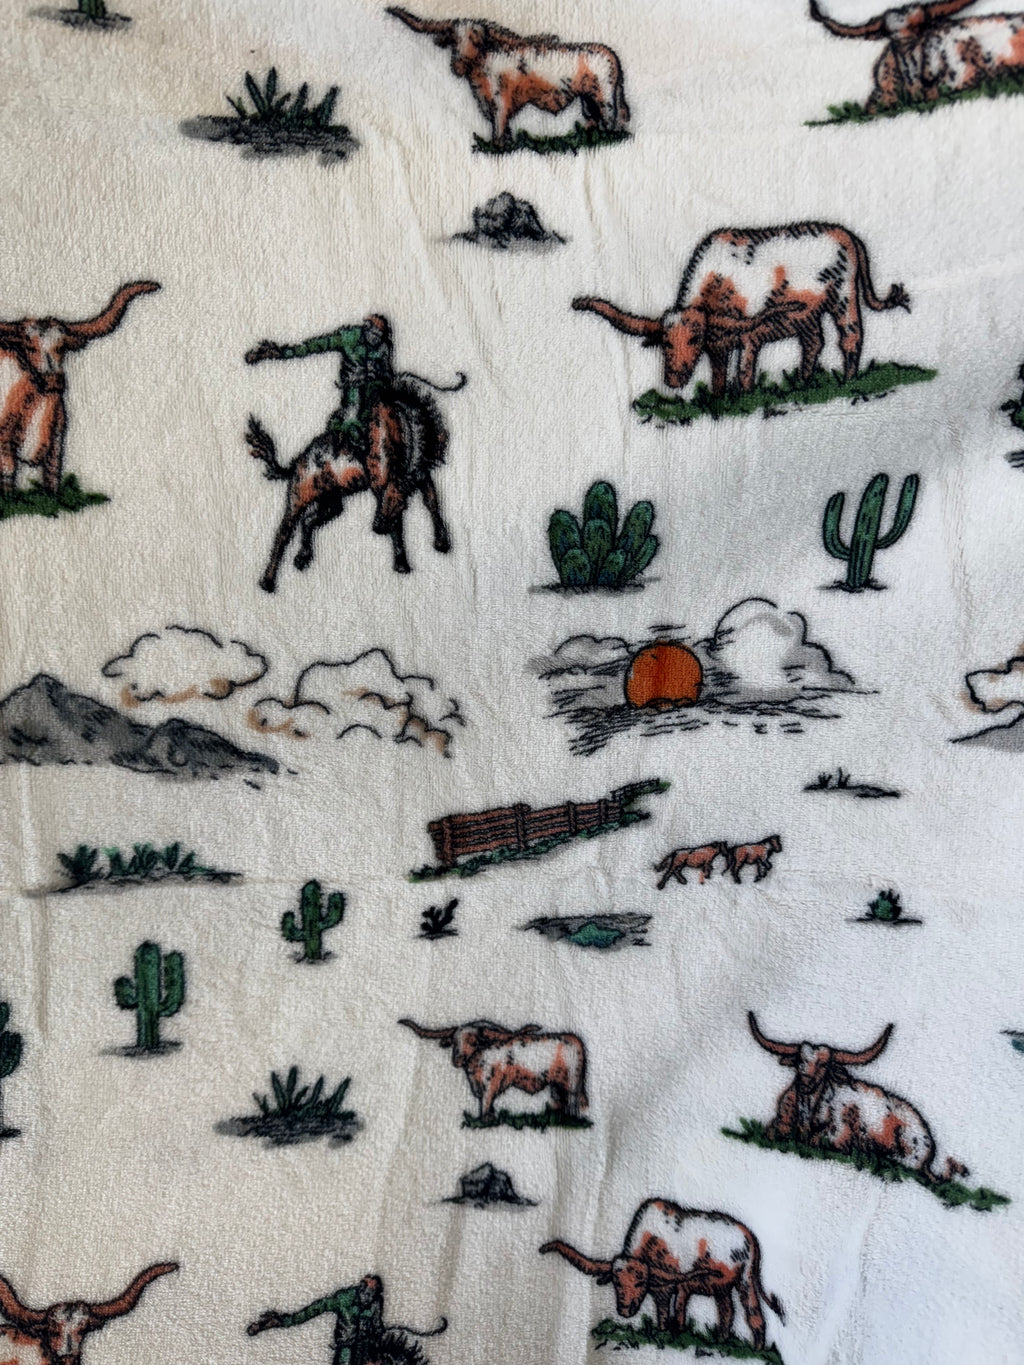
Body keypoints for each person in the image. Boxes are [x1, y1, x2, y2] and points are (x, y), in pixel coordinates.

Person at [244, 315, 394, 461]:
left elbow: (388, 374)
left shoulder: (383, 347)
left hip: (376, 390)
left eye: (379, 336)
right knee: (351, 418)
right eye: (374, 334)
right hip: (354, 390)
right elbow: (316, 345)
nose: (375, 340)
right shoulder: (349, 337)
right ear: (366, 329)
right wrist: (282, 352)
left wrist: (376, 373)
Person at [247, 1274, 385, 1365]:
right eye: (369, 1285)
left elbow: (378, 1326)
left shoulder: (376, 1301)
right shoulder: (344, 1298)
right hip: (346, 1347)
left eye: (374, 1288)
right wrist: (284, 1321)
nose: (370, 1296)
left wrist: (376, 1354)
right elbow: (314, 1310)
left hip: (366, 1347)